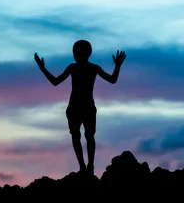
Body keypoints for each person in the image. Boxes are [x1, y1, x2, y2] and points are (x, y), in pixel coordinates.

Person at [34, 40, 126, 175]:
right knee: (80, 136)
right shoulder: (78, 67)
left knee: (86, 136)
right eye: (73, 51)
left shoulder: (87, 68)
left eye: (75, 51)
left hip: (83, 107)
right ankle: (84, 166)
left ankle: (89, 166)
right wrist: (42, 68)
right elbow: (55, 82)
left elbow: (112, 80)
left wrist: (117, 66)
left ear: (85, 53)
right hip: (77, 108)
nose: (74, 53)